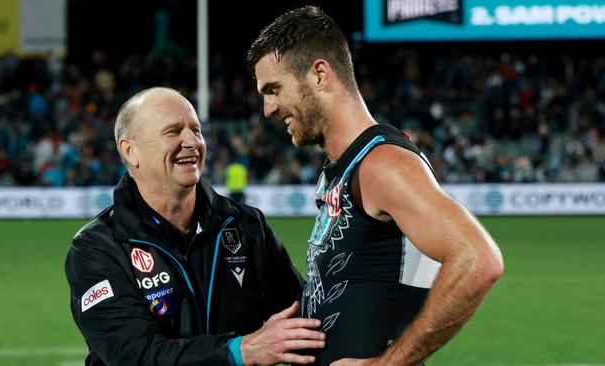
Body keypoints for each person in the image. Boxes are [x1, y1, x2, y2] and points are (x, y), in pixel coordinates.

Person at [247, 6, 504, 365]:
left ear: (320, 74)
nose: (268, 109)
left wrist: (387, 363)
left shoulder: (382, 164)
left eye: (274, 89)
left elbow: (478, 260)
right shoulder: (344, 169)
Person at [64, 87, 326, 365]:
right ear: (130, 151)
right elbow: (134, 355)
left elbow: (306, 318)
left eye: (196, 130)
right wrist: (239, 351)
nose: (191, 141)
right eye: (173, 131)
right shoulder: (98, 248)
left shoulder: (246, 225)